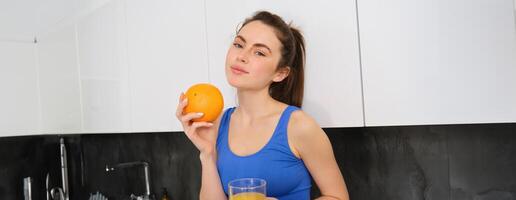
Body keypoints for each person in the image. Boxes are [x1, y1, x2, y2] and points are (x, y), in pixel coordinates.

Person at [176, 11, 349, 200]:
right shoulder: (218, 124)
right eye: (238, 44)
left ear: (280, 74)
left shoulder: (299, 126)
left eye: (259, 52)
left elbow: (338, 197)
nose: (241, 56)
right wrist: (207, 154)